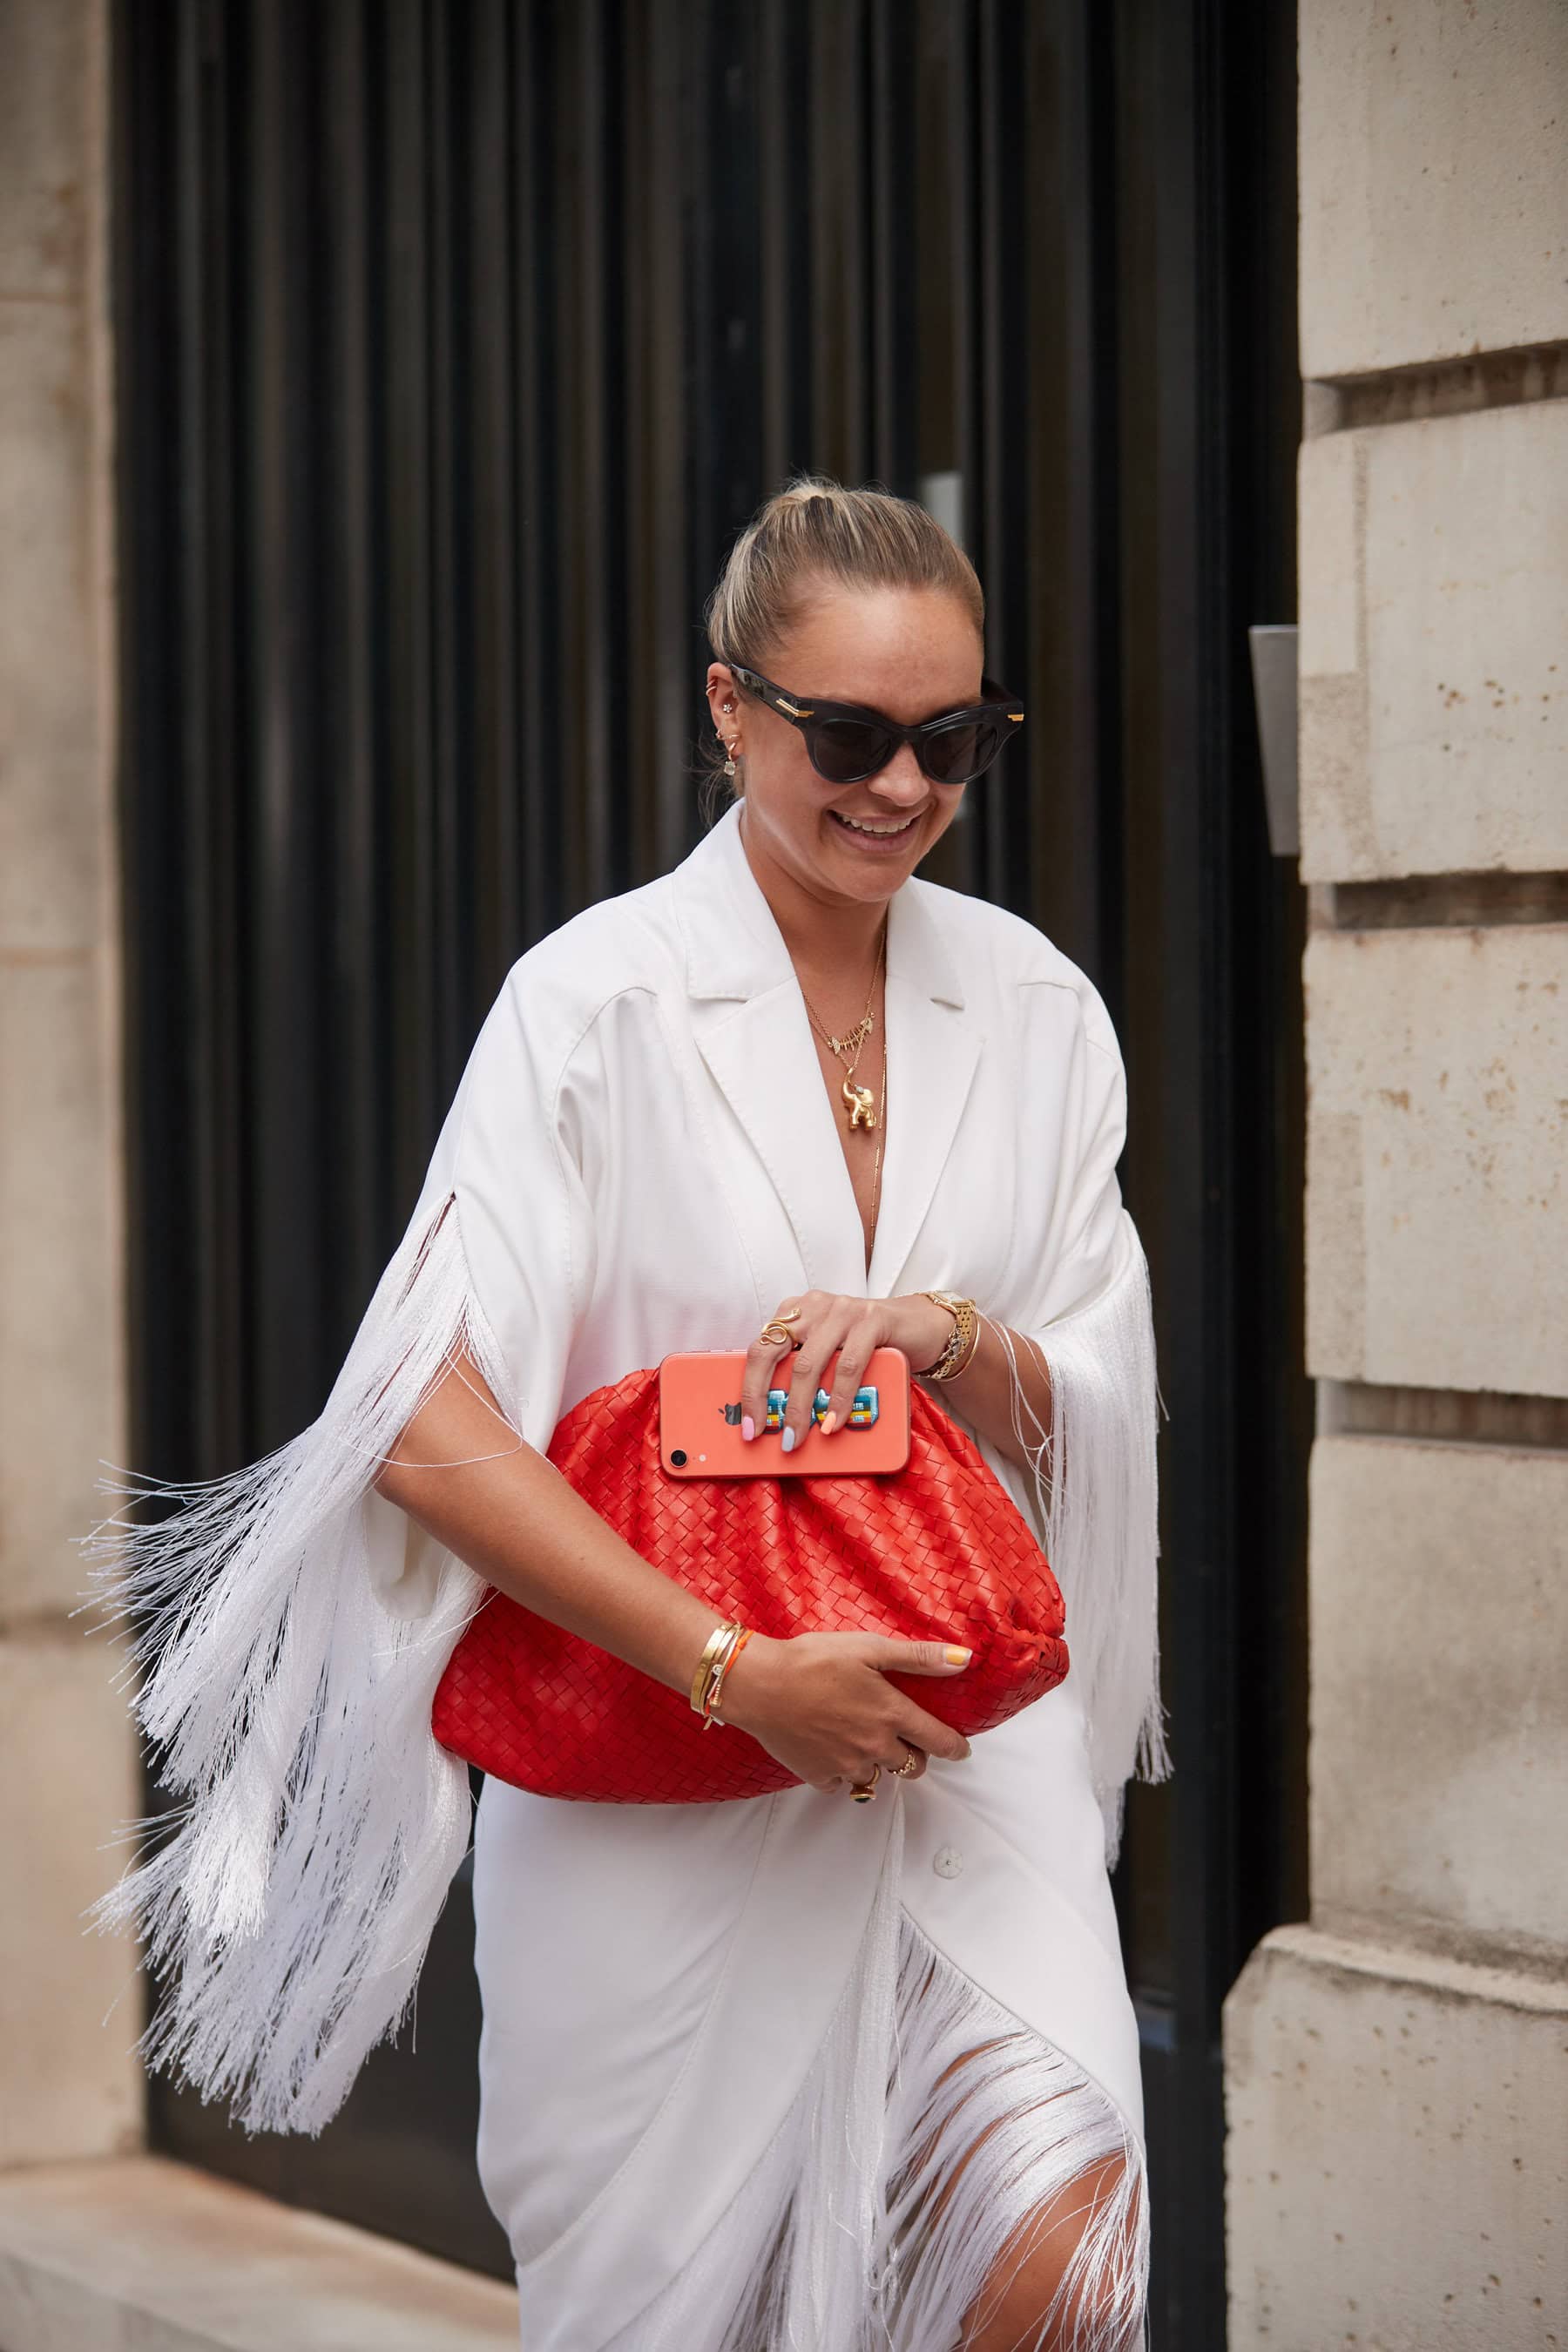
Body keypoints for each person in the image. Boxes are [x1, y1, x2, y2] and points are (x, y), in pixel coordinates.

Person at [94, 477, 1165, 2350]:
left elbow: (1100, 1394)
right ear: (730, 707)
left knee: (1054, 2276)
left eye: (953, 740)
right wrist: (739, 1671)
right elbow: (419, 1424)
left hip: (954, 1757)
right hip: (658, 1793)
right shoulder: (595, 1004)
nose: (903, 787)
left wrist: (944, 1334)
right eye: (850, 735)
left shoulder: (1040, 1007)